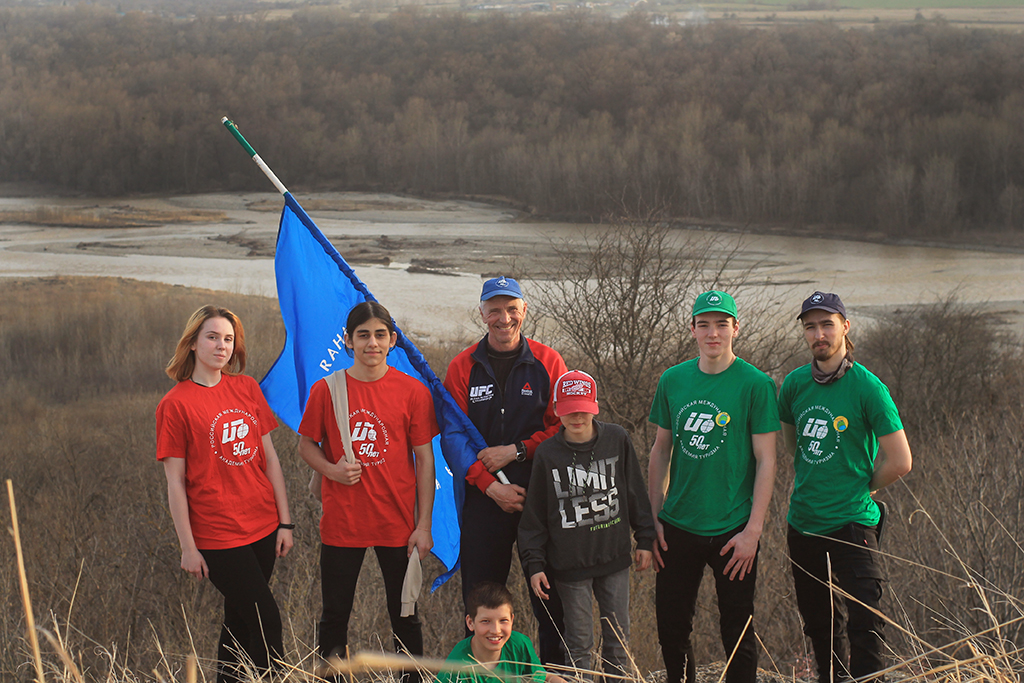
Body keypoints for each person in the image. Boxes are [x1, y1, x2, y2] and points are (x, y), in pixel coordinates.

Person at [779, 291, 913, 683]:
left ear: (845, 327)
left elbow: (900, 460)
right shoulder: (793, 384)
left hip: (853, 521)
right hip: (803, 523)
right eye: (810, 327)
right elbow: (793, 446)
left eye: (827, 325)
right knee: (820, 623)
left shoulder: (868, 388)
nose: (819, 334)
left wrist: (862, 486)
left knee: (866, 618)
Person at [298, 301, 438, 674]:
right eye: (363, 335)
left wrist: (423, 525)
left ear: (392, 340)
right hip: (342, 522)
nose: (371, 343)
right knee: (334, 616)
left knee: (405, 615)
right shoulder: (326, 390)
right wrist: (331, 470)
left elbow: (425, 461)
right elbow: (306, 445)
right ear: (348, 340)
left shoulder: (413, 392)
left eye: (380, 335)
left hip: (397, 524)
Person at [156, 305, 294, 683]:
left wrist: (285, 522)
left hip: (263, 525)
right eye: (212, 337)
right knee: (266, 619)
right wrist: (188, 547)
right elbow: (175, 482)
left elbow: (270, 459)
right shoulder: (175, 404)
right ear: (193, 343)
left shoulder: (246, 387)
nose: (222, 346)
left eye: (229, 339)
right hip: (217, 535)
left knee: (238, 622)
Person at [647, 290, 779, 683]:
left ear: (736, 328)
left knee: (738, 628)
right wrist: (653, 518)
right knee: (672, 627)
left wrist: (753, 532)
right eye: (704, 324)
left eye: (722, 324)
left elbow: (767, 459)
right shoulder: (673, 380)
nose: (713, 333)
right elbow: (660, 450)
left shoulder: (756, 384)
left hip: (733, 529)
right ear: (692, 329)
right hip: (678, 525)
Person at [444, 276, 568, 666]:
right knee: (483, 605)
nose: (504, 318)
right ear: (482, 313)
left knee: (551, 602)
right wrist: (489, 486)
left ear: (524, 310)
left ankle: (554, 673)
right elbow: (452, 436)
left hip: (540, 500)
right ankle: (481, 674)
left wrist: (516, 451)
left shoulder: (549, 362)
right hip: (484, 504)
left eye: (512, 309)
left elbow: (563, 427)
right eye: (494, 310)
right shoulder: (462, 366)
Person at [519, 370, 656, 682]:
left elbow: (634, 491)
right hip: (570, 566)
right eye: (569, 410)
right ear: (557, 409)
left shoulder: (616, 439)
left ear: (595, 406)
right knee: (579, 644)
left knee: (618, 641)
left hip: (614, 559)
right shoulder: (548, 453)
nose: (577, 417)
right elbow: (535, 517)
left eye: (583, 409)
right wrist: (534, 564)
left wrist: (645, 538)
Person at [439, 582, 564, 683]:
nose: (496, 630)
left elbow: (542, 677)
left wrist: (557, 680)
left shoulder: (519, 644)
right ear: (470, 623)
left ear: (512, 620)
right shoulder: (458, 662)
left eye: (503, 620)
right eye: (486, 621)